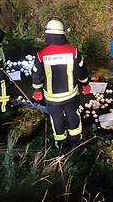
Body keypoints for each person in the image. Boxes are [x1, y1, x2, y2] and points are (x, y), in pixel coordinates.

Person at [31, 18, 91, 154]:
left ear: (48, 35)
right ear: (62, 34)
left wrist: (37, 90)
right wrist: (85, 84)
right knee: (73, 116)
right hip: (71, 95)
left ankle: (61, 145)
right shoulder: (73, 51)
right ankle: (76, 142)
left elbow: (36, 74)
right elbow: (81, 70)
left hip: (52, 98)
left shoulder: (41, 54)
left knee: (56, 119)